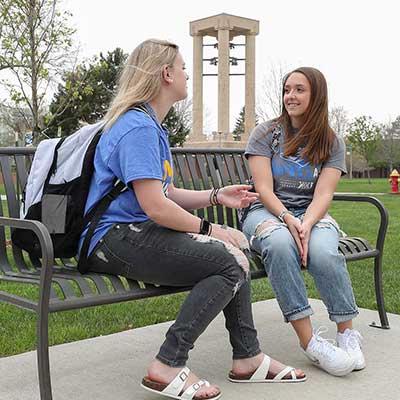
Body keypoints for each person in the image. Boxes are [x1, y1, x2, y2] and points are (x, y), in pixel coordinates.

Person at [80, 39, 306, 400]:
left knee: (230, 253)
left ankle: (247, 357)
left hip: (131, 234)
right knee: (230, 259)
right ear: (167, 74)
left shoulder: (148, 125)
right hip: (113, 239)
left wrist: (216, 197)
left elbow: (163, 193)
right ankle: (168, 363)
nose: (187, 74)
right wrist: (212, 227)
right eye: (183, 67)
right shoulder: (137, 128)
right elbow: (155, 207)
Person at [242, 67, 365, 377]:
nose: (290, 96)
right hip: (266, 211)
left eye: (299, 90)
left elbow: (324, 194)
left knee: (324, 252)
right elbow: (263, 189)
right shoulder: (265, 134)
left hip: (311, 214)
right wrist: (287, 220)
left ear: (316, 95)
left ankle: (347, 334)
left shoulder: (331, 142)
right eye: (287, 90)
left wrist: (307, 223)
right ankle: (311, 343)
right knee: (280, 245)